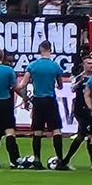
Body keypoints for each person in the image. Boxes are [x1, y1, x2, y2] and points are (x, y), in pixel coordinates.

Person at [16, 41, 65, 170]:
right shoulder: (55, 66)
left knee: (37, 131)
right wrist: (54, 84)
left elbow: (22, 84)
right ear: (51, 49)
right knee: (56, 130)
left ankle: (37, 160)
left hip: (37, 100)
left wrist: (24, 97)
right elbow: (60, 85)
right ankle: (60, 159)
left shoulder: (32, 66)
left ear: (40, 49)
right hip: (50, 100)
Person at [62, 55, 92, 170]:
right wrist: (81, 80)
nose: (91, 65)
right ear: (83, 65)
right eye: (88, 63)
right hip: (81, 109)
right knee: (83, 133)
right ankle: (65, 161)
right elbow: (72, 88)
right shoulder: (79, 77)